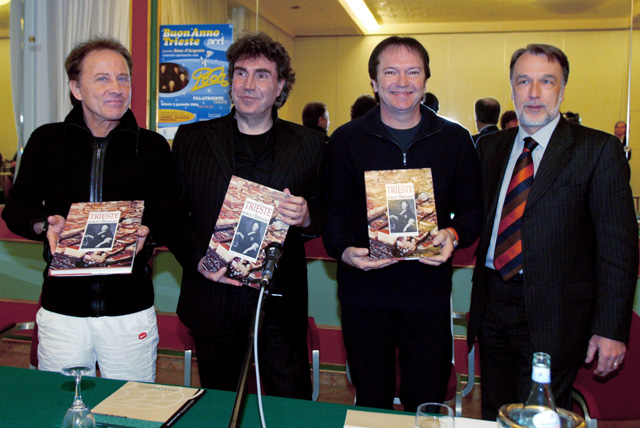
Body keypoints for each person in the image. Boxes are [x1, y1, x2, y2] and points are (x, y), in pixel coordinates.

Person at [469, 43, 638, 420]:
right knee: (494, 412)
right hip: (492, 303)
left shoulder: (597, 150)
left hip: (556, 315)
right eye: (523, 81)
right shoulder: (490, 148)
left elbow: (618, 249)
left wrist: (611, 329)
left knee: (540, 417)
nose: (533, 92)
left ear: (562, 90)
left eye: (546, 81)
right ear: (511, 88)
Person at [1, 37, 183, 382]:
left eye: (123, 78)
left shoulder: (153, 147)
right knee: (61, 405)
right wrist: (44, 226)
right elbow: (16, 209)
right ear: (76, 88)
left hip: (130, 312)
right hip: (63, 312)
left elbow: (172, 217)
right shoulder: (46, 141)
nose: (116, 88)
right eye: (102, 78)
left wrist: (149, 233)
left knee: (130, 406)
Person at [324, 36, 481, 412]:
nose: (402, 82)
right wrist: (344, 252)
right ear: (374, 82)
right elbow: (332, 213)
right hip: (364, 294)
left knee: (426, 400)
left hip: (428, 294)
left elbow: (474, 210)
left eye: (413, 72)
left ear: (426, 80)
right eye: (390, 72)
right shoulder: (346, 140)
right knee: (371, 400)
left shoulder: (454, 140)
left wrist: (454, 234)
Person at [172, 31, 326, 399]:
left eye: (262, 75)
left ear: (280, 86)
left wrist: (306, 216)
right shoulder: (192, 139)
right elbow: (172, 214)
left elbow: (327, 211)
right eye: (240, 73)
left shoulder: (312, 144)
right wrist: (197, 260)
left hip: (280, 302)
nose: (248, 85)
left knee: (290, 407)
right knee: (220, 404)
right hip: (213, 296)